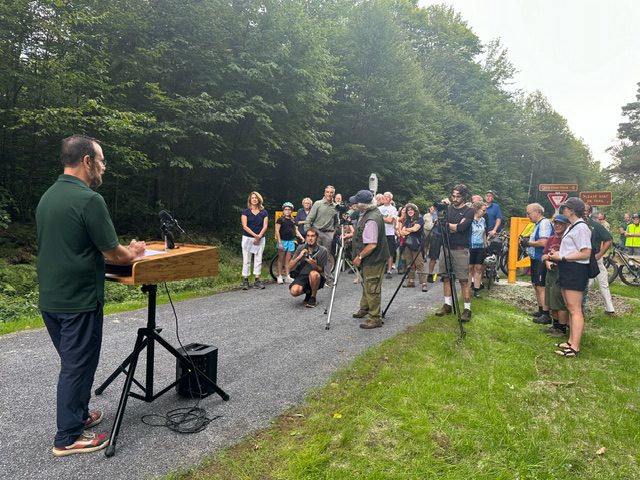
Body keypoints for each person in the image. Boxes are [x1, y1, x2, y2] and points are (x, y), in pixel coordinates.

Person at [36, 135, 146, 456]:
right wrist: (135, 251)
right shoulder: (89, 200)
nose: (103, 167)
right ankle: (67, 437)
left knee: (74, 362)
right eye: (101, 160)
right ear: (86, 161)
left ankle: (79, 416)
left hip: (51, 299)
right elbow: (114, 252)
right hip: (79, 300)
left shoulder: (48, 197)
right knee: (77, 366)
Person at [548, 197, 592, 357]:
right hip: (567, 268)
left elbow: (585, 252)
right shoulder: (572, 227)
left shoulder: (581, 228)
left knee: (575, 310)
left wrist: (563, 257)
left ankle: (575, 347)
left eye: (565, 208)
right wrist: (559, 254)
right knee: (570, 307)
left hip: (576, 270)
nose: (563, 210)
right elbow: (571, 249)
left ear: (572, 210)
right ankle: (571, 341)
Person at [350, 189, 390, 329]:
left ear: (363, 205)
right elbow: (364, 234)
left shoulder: (371, 219)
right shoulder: (370, 213)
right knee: (367, 283)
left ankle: (374, 318)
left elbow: (372, 244)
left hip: (373, 259)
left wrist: (359, 256)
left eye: (356, 203)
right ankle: (365, 308)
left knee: (372, 286)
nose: (354, 205)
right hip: (372, 258)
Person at [435, 184, 474, 322]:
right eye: (453, 196)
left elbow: (462, 228)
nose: (455, 199)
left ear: (464, 196)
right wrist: (452, 226)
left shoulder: (469, 211)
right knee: (446, 277)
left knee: (463, 280)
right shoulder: (448, 208)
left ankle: (467, 309)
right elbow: (441, 225)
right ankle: (447, 305)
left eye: (458, 196)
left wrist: (451, 225)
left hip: (460, 249)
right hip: (446, 247)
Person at [541, 214, 570, 337]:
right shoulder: (551, 239)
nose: (557, 225)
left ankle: (562, 329)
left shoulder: (567, 239)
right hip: (550, 272)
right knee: (551, 300)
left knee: (560, 301)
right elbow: (544, 256)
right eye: (555, 223)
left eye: (560, 223)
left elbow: (568, 256)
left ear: (566, 225)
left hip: (562, 271)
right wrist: (547, 261)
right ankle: (555, 325)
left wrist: (553, 256)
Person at [524, 203, 553, 324]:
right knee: (536, 284)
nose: (527, 216)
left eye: (529, 213)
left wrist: (529, 244)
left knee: (541, 286)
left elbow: (544, 242)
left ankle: (546, 314)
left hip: (541, 258)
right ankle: (541, 309)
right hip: (535, 257)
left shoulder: (544, 223)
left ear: (537, 212)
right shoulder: (536, 224)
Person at [584, 205, 615, 315]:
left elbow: (608, 239)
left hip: (595, 257)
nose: (583, 212)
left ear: (589, 212)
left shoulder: (595, 225)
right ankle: (580, 308)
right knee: (585, 283)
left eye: (586, 210)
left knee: (603, 282)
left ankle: (610, 308)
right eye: (581, 209)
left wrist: (600, 254)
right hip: (579, 258)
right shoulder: (573, 224)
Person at [287, 227, 329, 307]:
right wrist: (299, 257)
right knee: (294, 291)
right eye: (308, 236)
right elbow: (289, 266)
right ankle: (308, 292)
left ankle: (313, 297)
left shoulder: (323, 250)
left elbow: (322, 270)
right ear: (306, 237)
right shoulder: (301, 248)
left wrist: (314, 265)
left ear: (316, 238)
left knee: (313, 274)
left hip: (317, 276)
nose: (310, 238)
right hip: (302, 275)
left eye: (313, 236)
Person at [306, 185, 338, 279]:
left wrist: (333, 232)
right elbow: (309, 218)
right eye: (327, 192)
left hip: (328, 233)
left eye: (331, 192)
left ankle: (327, 276)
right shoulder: (318, 204)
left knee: (327, 255)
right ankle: (311, 275)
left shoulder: (336, 207)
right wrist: (308, 232)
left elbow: (337, 222)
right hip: (316, 231)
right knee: (312, 254)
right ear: (324, 193)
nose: (329, 194)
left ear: (333, 194)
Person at [241, 191, 269, 289]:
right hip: (247, 238)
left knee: (258, 259)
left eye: (256, 198)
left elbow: (265, 226)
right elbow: (244, 226)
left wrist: (259, 236)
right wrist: (254, 236)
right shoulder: (245, 211)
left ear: (259, 199)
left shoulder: (264, 212)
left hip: (261, 238)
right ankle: (245, 280)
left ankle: (257, 280)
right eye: (252, 198)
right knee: (246, 260)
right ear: (250, 200)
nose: (254, 199)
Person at [398, 203, 427, 291]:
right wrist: (407, 230)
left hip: (416, 244)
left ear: (415, 211)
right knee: (409, 263)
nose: (410, 211)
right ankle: (411, 281)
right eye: (408, 210)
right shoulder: (406, 220)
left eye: (411, 210)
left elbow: (415, 229)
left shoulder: (420, 219)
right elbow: (401, 233)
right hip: (407, 244)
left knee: (419, 263)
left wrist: (406, 229)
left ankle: (424, 284)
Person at [275, 202, 304, 284]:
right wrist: (279, 242)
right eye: (286, 209)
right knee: (281, 259)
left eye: (289, 210)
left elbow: (295, 229)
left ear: (291, 211)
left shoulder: (292, 220)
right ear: (283, 210)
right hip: (283, 240)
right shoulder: (280, 219)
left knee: (288, 260)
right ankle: (279, 275)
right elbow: (277, 230)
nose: (287, 211)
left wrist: (301, 237)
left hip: (291, 241)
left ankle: (287, 275)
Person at [469, 201, 488, 298]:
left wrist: (485, 243)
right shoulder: (470, 219)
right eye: (483, 210)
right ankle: (467, 289)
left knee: (479, 268)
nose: (485, 212)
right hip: (471, 246)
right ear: (477, 210)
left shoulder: (483, 220)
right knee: (470, 268)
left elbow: (484, 232)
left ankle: (476, 290)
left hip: (480, 247)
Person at [378, 191, 398, 278]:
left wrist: (382, 218)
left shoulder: (393, 209)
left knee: (390, 253)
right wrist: (386, 218)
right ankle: (381, 269)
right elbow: (377, 220)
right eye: (384, 196)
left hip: (390, 233)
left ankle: (389, 270)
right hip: (381, 233)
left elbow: (391, 221)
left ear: (390, 199)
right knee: (380, 252)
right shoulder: (379, 208)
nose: (385, 198)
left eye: (387, 197)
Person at [426, 205, 441, 283]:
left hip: (446, 236)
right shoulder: (436, 212)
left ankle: (444, 273)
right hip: (436, 235)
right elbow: (436, 222)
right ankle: (430, 274)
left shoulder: (449, 212)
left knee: (445, 257)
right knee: (433, 256)